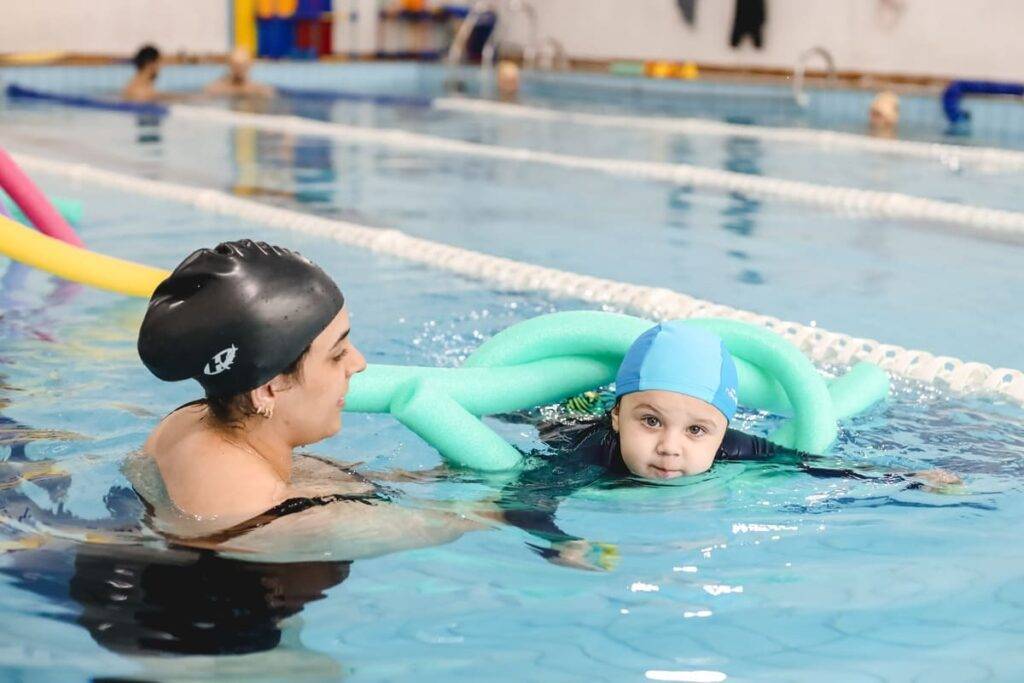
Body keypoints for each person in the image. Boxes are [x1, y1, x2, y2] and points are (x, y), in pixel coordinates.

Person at [496, 321, 961, 568]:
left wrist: (907, 479)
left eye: (697, 430)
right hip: (565, 417)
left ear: (722, 432)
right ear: (618, 416)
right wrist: (558, 542)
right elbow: (524, 498)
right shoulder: (591, 452)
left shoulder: (730, 446)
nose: (670, 448)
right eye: (650, 421)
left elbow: (811, 465)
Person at [132, 240, 490, 557]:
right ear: (269, 387)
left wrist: (417, 478)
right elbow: (471, 520)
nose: (359, 364)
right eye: (337, 354)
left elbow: (306, 479)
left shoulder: (185, 423)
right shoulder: (280, 518)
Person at [204, 47, 275, 98]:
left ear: (250, 65)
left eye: (243, 65)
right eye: (236, 65)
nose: (240, 69)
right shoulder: (218, 88)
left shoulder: (258, 89)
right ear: (230, 65)